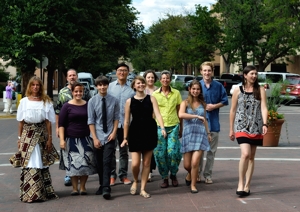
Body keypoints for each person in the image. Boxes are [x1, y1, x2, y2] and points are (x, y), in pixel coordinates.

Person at [120, 76, 166, 198]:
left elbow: (158, 114)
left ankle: (143, 189)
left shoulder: (151, 99)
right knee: (135, 164)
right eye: (138, 83)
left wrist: (162, 128)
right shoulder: (129, 101)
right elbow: (126, 121)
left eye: (142, 83)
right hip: (135, 132)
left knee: (146, 163)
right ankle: (135, 180)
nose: (140, 85)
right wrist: (125, 137)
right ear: (134, 86)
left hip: (149, 131)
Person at [17, 76, 59, 203]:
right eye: (33, 85)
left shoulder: (46, 101)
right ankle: (29, 194)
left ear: (41, 87)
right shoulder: (24, 102)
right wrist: (19, 138)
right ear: (29, 86)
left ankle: (40, 193)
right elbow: (21, 122)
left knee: (40, 163)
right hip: (27, 135)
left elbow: (48, 123)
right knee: (29, 163)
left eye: (38, 85)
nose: (35, 87)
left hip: (41, 134)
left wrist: (49, 139)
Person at [229, 65, 268, 197]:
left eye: (256, 74)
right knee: (245, 154)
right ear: (245, 75)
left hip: (256, 126)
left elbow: (264, 108)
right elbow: (233, 110)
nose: (254, 76)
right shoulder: (237, 90)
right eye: (251, 73)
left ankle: (247, 185)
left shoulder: (260, 89)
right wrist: (231, 129)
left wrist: (265, 123)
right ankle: (240, 183)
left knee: (251, 157)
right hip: (241, 126)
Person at [58, 82, 97, 196]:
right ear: (72, 92)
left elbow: (92, 121)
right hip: (71, 139)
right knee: (73, 165)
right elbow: (61, 124)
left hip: (86, 138)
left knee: (86, 163)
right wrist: (61, 140)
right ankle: (75, 188)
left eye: (80, 91)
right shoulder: (66, 106)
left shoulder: (88, 104)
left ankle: (83, 187)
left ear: (83, 92)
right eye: (76, 91)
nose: (78, 93)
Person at [55, 69, 90, 186]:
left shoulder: (85, 90)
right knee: (69, 154)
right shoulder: (62, 92)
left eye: (74, 75)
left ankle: (82, 177)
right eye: (70, 75)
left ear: (77, 76)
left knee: (83, 155)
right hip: (68, 128)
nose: (72, 77)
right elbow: (58, 111)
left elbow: (89, 106)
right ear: (67, 78)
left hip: (83, 129)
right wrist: (57, 127)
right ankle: (68, 175)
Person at [88, 76, 120, 199]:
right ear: (96, 87)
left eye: (104, 85)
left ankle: (106, 187)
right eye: (100, 85)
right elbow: (91, 121)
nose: (102, 87)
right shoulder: (92, 101)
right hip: (97, 135)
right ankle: (102, 184)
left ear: (107, 86)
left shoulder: (114, 100)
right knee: (99, 162)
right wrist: (95, 138)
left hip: (109, 136)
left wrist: (114, 133)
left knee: (107, 161)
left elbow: (116, 118)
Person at [178, 80, 211, 193]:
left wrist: (208, 133)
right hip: (188, 134)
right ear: (190, 89)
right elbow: (181, 115)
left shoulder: (203, 104)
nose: (195, 91)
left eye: (198, 89)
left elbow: (205, 120)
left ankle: (193, 185)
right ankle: (189, 174)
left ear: (200, 90)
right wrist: (196, 116)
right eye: (193, 89)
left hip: (200, 134)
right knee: (187, 165)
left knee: (195, 162)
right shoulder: (185, 103)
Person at [198, 61, 228, 184]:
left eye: (209, 70)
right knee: (199, 151)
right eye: (204, 70)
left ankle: (208, 174)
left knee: (211, 151)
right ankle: (197, 173)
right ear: (201, 72)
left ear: (212, 72)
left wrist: (214, 106)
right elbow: (190, 101)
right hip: (199, 123)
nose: (207, 73)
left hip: (214, 123)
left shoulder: (218, 86)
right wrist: (203, 106)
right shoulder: (197, 85)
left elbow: (225, 101)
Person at [152, 71, 182, 188]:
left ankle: (173, 174)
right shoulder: (155, 94)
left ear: (170, 80)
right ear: (160, 80)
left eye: (167, 78)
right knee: (159, 153)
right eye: (163, 78)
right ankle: (164, 177)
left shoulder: (176, 93)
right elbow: (153, 113)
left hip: (174, 126)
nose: (165, 80)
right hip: (159, 127)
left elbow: (179, 111)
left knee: (173, 152)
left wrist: (181, 128)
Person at [108, 63, 135, 186]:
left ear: (128, 72)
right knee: (111, 151)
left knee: (124, 151)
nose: (122, 72)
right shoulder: (110, 87)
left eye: (124, 70)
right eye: (120, 70)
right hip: (112, 125)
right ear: (116, 72)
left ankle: (123, 175)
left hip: (126, 125)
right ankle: (112, 175)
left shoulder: (132, 89)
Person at [143, 70, 159, 182]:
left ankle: (150, 168)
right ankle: (147, 171)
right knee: (145, 147)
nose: (150, 79)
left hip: (156, 121)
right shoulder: (141, 89)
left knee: (153, 147)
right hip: (143, 121)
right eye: (148, 77)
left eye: (152, 77)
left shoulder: (158, 90)